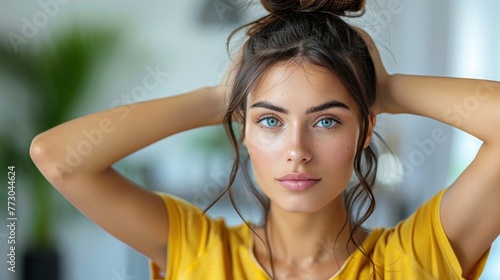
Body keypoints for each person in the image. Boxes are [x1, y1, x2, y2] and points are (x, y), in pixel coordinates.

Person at [30, 0, 499, 279]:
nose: (297, 149)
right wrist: (220, 97)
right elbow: (55, 157)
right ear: (243, 128)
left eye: (327, 121)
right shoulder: (198, 251)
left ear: (365, 130)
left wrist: (388, 89)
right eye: (271, 121)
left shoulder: (418, 258)